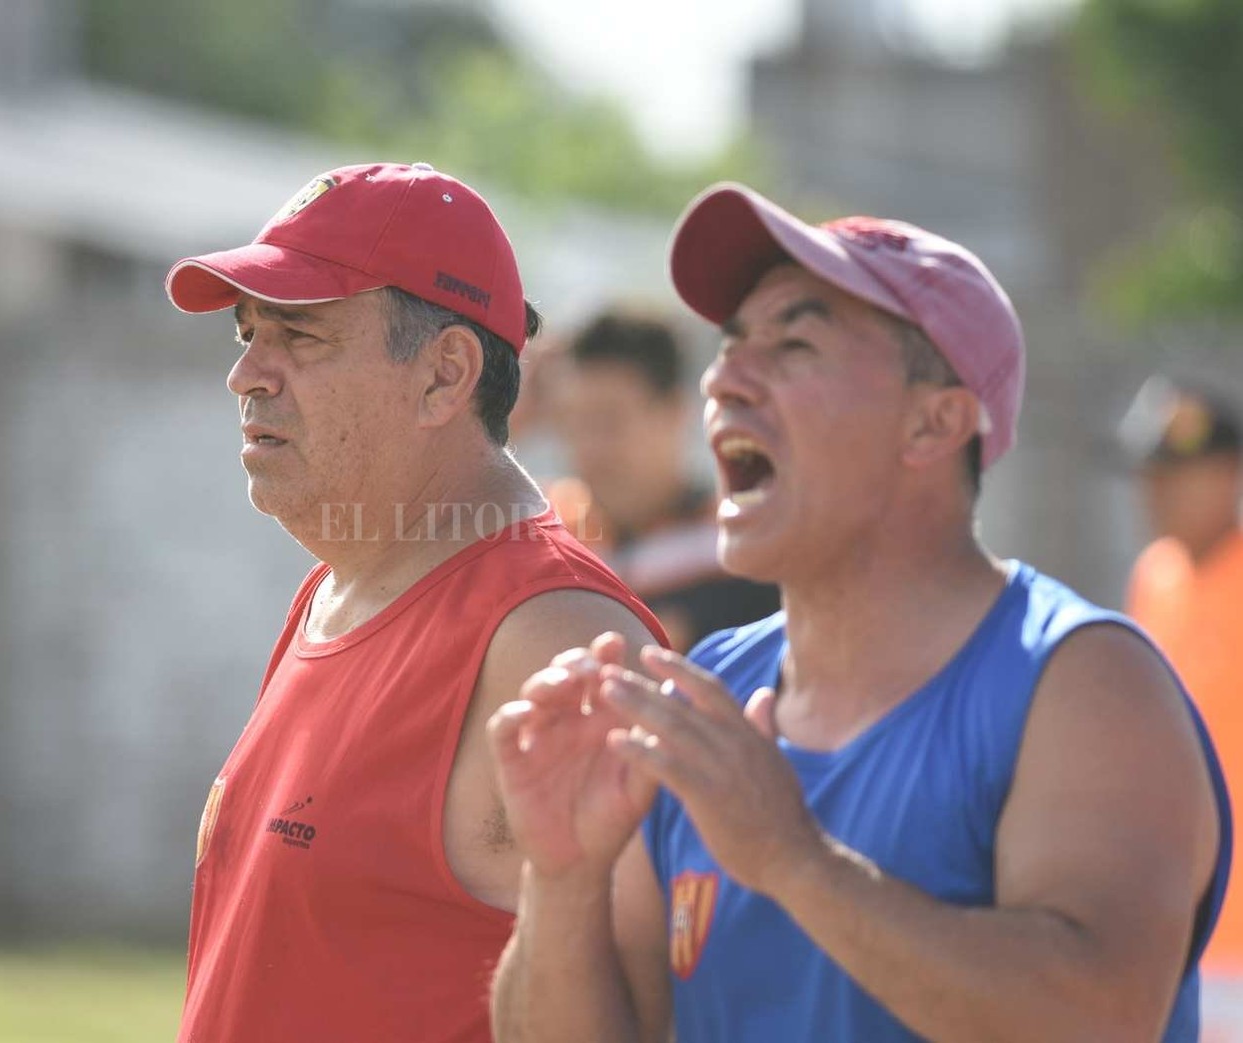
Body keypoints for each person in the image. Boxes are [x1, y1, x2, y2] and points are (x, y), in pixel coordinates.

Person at [488, 183, 1231, 1042]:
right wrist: (562, 877)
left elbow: (1099, 1016)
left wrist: (795, 862)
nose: (723, 377)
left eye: (794, 342)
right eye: (731, 345)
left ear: (934, 422)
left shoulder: (1081, 682)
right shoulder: (700, 696)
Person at [162, 161, 666, 1043]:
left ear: (444, 374)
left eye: (300, 335)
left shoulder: (556, 638)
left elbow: (651, 1021)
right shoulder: (335, 588)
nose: (246, 374)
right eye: (246, 333)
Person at [546, 309, 779, 650]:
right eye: (572, 423)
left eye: (608, 420)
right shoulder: (541, 536)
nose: (588, 448)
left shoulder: (748, 552)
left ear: (676, 412)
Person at [1122, 377, 1243, 982]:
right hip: (1182, 924)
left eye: (1183, 474)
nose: (1162, 493)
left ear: (1230, 475)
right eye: (1154, 474)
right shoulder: (1156, 576)